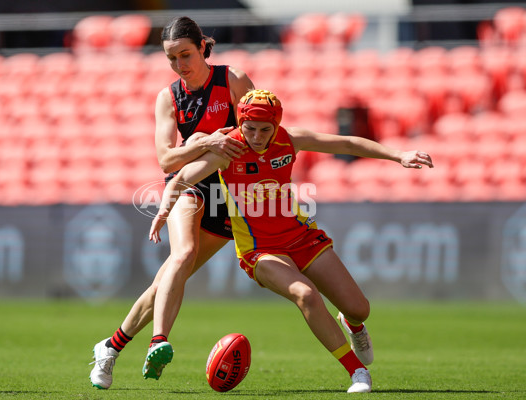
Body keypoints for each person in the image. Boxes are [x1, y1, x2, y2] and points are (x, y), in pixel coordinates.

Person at [149, 89, 434, 393]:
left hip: (301, 237)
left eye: (264, 130)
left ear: (277, 125)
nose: (256, 137)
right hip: (259, 250)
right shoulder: (227, 149)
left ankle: (353, 325)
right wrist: (164, 210)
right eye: (249, 129)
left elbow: (347, 142)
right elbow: (181, 178)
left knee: (359, 309)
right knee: (306, 294)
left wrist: (399, 155)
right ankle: (358, 372)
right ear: (240, 124)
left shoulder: (289, 139)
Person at [89, 16, 254, 389]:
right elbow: (166, 160)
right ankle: (159, 340)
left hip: (227, 193)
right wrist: (206, 141)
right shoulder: (169, 98)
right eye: (171, 59)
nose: (180, 65)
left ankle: (110, 348)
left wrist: (203, 143)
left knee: (166, 282)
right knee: (183, 254)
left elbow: (256, 131)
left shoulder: (234, 80)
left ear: (202, 48)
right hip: (188, 186)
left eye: (185, 54)